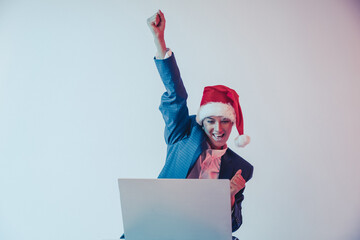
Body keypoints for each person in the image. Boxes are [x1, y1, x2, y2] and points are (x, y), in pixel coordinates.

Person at [122, 10, 253, 240]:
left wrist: (230, 195)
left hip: (202, 233)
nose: (218, 129)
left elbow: (232, 226)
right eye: (211, 121)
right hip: (163, 221)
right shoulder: (182, 134)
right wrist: (160, 42)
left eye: (225, 121)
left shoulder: (241, 168)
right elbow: (176, 95)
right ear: (202, 122)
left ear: (232, 124)